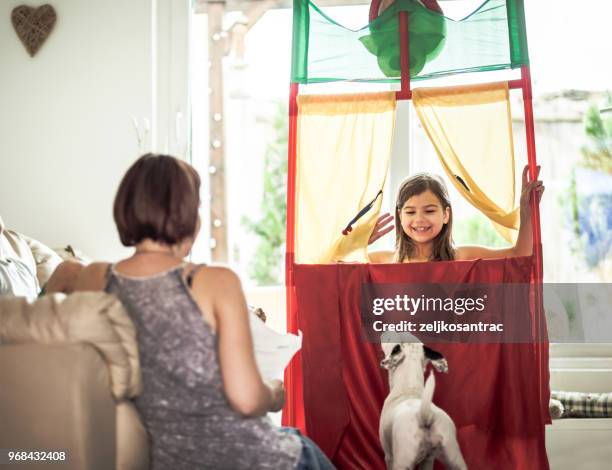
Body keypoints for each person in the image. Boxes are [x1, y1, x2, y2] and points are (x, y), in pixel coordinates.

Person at [70, 154, 335, 470]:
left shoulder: (93, 278)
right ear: (189, 217)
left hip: (156, 457)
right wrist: (274, 393)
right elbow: (247, 400)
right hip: (239, 456)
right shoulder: (215, 281)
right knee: (300, 446)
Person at [368, 165, 544, 263]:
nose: (419, 219)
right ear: (400, 216)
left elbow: (520, 257)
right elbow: (340, 268)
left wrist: (527, 212)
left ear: (446, 215)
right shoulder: (383, 261)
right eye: (410, 212)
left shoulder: (462, 257)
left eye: (429, 210)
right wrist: (360, 242)